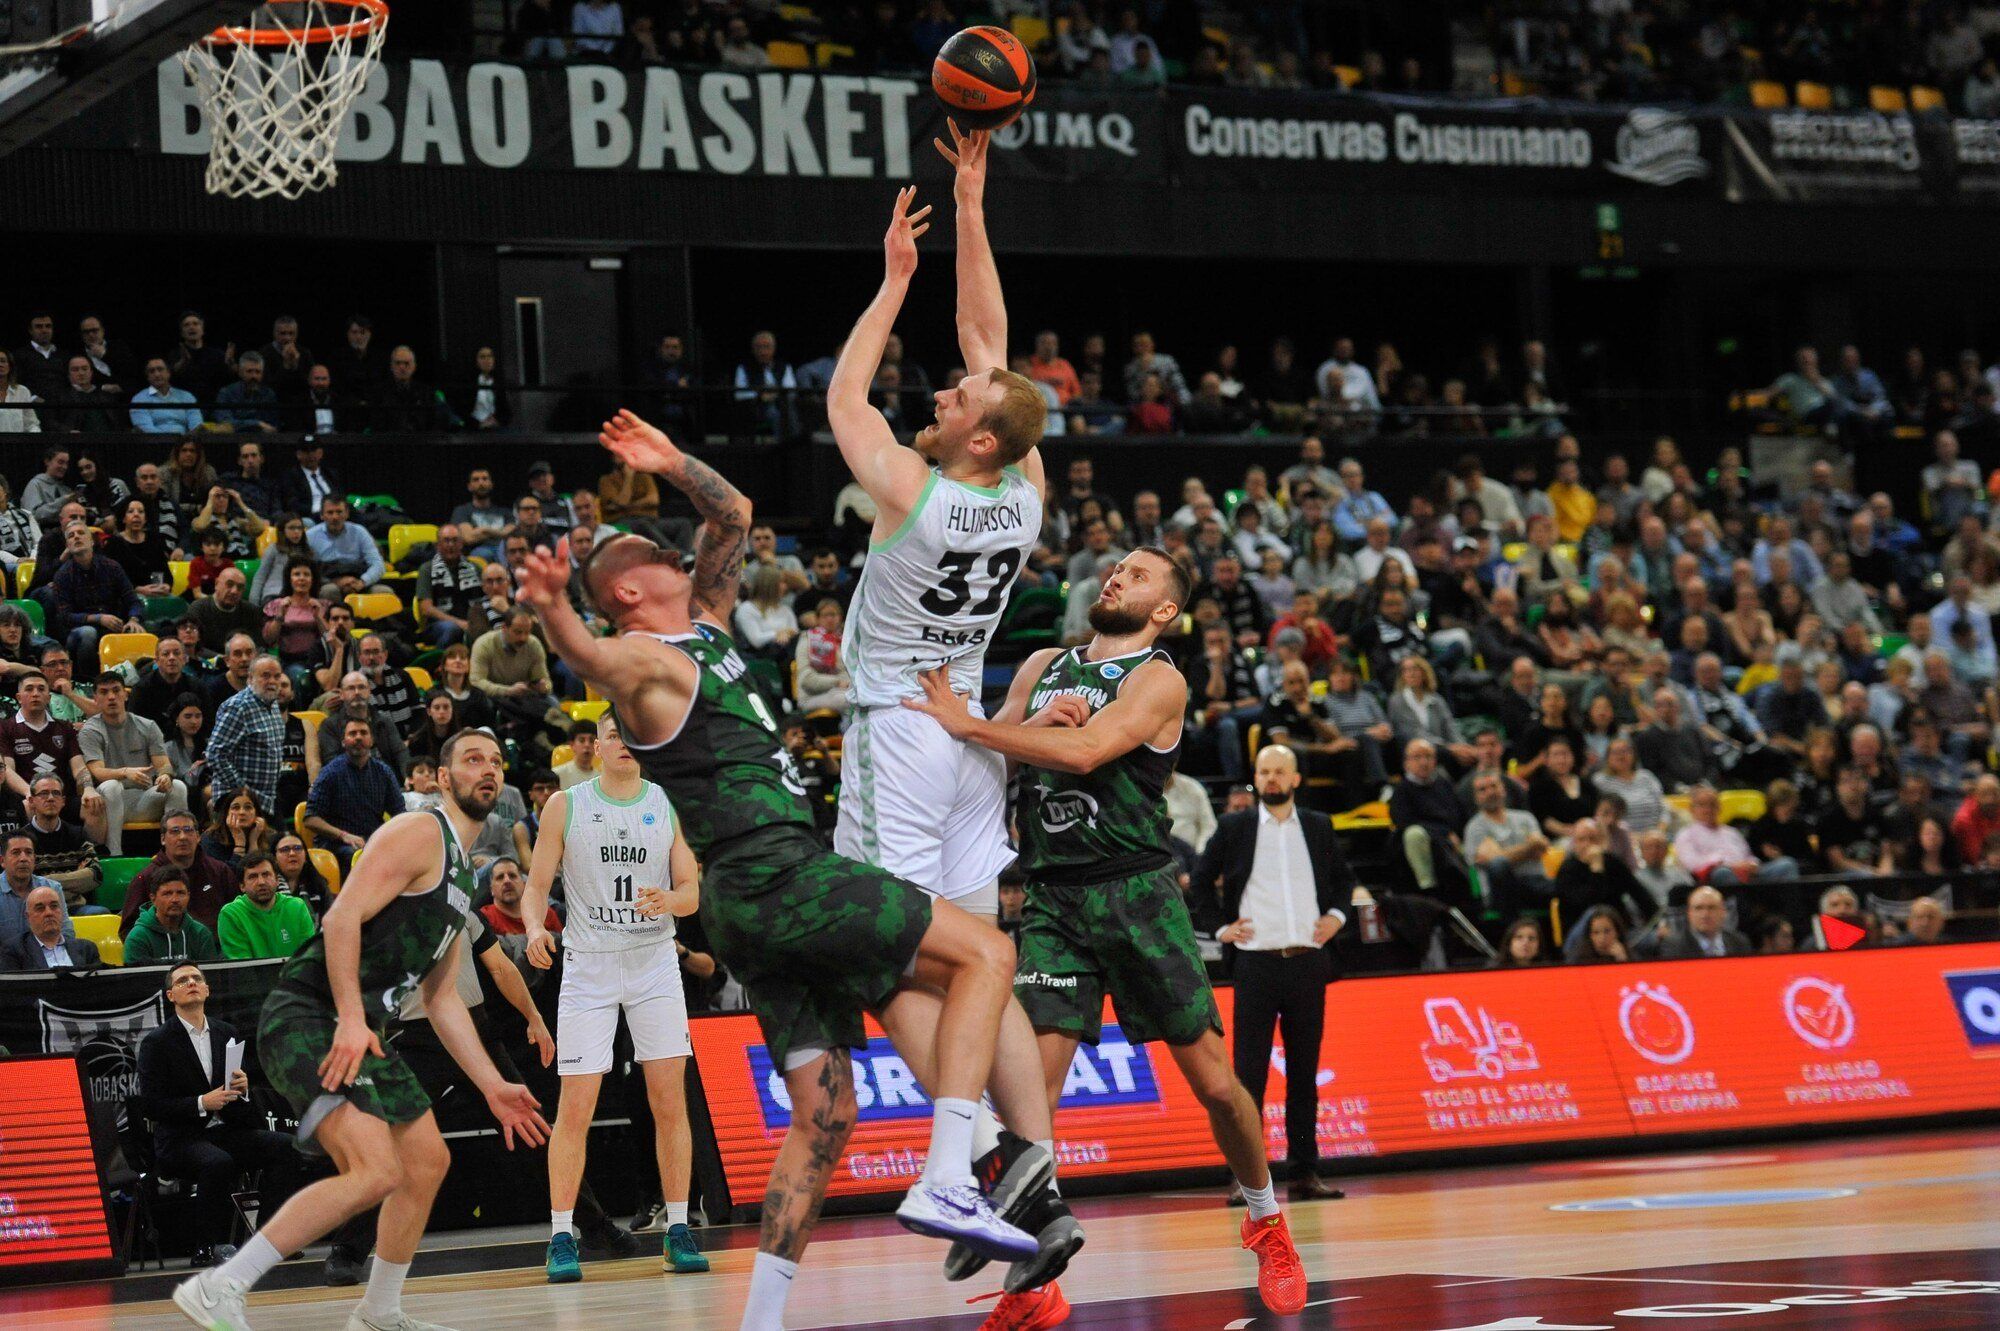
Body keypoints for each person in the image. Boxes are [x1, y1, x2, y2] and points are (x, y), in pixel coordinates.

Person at [515, 409, 1036, 1331]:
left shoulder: (706, 622)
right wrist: (555, 606)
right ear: (629, 588)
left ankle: (759, 1321)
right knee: (988, 952)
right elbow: (590, 655)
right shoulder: (645, 660)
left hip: (747, 907)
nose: (679, 553)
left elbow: (734, 513)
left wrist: (671, 459)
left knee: (825, 1117)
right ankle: (954, 1171)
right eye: (656, 554)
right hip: (776, 873)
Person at [904, 542, 1308, 1321]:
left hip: (1138, 893)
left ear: (1166, 609)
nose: (1118, 575)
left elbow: (1088, 750)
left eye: (1139, 574)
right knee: (1031, 1095)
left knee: (1216, 1086)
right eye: (1118, 566)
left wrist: (976, 726)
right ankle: (1035, 1283)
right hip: (1054, 898)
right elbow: (992, 763)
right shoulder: (1043, 664)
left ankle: (1265, 1217)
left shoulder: (1158, 677)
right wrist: (993, 726)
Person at [824, 141, 1069, 1290]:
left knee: (886, 969)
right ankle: (1039, 1171)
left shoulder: (911, 493)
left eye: (957, 398)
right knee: (979, 966)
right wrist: (971, 207)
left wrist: (890, 281)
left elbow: (843, 397)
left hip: (899, 732)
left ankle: (975, 1161)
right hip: (966, 737)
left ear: (976, 436)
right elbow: (988, 343)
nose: (941, 388)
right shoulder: (1023, 494)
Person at [172, 730, 549, 1331]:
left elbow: (441, 997)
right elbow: (343, 914)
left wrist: (492, 1086)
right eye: (472, 759)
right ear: (442, 778)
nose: (489, 769)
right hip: (309, 1014)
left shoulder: (463, 875)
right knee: (376, 1170)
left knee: (427, 1161)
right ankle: (220, 1286)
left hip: (360, 1028)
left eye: (497, 761)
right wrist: (351, 1015)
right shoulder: (420, 830)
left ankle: (379, 1311)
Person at [518, 715, 710, 1282]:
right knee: (575, 1106)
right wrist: (534, 928)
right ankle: (561, 1236)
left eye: (631, 735)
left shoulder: (666, 802)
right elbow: (535, 888)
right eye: (613, 735)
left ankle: (678, 1228)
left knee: (668, 1100)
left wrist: (669, 900)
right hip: (589, 966)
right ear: (596, 747)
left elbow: (692, 892)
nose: (623, 744)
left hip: (654, 963)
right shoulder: (566, 805)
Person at [1192, 744, 1352, 1203]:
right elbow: (1199, 881)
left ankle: (1304, 1173)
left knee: (1304, 1073)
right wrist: (1220, 928)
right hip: (1256, 963)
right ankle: (1247, 1178)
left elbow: (1344, 882)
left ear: (1296, 778)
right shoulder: (1235, 827)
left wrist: (1336, 918)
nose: (1272, 779)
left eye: (1280, 771)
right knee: (1248, 1076)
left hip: (1307, 961)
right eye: (1264, 772)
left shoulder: (1318, 826)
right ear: (1257, 777)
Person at [136, 962, 301, 1265]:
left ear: (207, 990)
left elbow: (237, 1098)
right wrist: (201, 1102)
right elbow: (152, 1105)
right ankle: (208, 1246)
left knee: (286, 1147)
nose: (191, 983)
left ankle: (268, 1240)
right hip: (180, 1138)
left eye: (196, 978)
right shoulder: (156, 1042)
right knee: (217, 1162)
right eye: (182, 981)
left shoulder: (227, 1033)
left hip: (224, 1130)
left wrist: (243, 1089)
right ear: (171, 995)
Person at [80, 672, 188, 856]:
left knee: (178, 786)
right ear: (95, 698)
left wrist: (165, 775)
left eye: (116, 690)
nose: (111, 697)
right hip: (109, 801)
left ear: (126, 694)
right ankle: (114, 854)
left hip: (144, 797)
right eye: (104, 692)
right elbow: (97, 771)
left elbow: (164, 764)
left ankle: (174, 852)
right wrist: (125, 772)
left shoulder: (147, 726)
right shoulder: (90, 730)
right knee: (112, 786)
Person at [306, 716, 405, 874]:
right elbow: (310, 819)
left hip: (372, 841)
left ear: (371, 740)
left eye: (363, 733)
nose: (358, 737)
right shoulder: (330, 773)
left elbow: (399, 813)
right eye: (352, 733)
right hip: (337, 844)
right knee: (360, 857)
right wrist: (343, 835)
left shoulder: (384, 772)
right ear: (343, 742)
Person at [216, 852, 317, 960]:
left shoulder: (297, 906)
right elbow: (243, 966)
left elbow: (309, 958)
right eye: (253, 877)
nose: (261, 882)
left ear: (277, 880)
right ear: (242, 886)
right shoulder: (231, 914)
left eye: (266, 874)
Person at [122, 868, 223, 965]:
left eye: (181, 893)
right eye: (167, 894)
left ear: (188, 896)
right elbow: (135, 976)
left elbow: (210, 975)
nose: (175, 899)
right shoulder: (138, 938)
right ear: (153, 898)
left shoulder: (201, 934)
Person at [2, 883, 100, 971]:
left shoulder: (87, 949)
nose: (49, 913)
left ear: (61, 912)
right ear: (28, 917)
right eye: (40, 908)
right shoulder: (14, 952)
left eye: (54, 906)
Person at [1654, 885, 1753, 959]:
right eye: (1698, 908)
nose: (1705, 914)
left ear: (1723, 912)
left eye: (1711, 908)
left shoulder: (1739, 942)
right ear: (1689, 913)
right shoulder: (1674, 946)